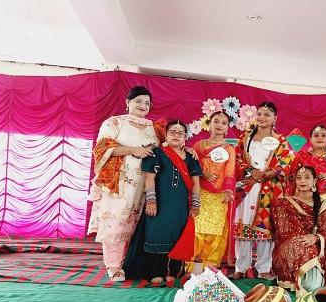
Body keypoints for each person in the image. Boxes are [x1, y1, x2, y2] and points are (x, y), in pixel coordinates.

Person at [87, 86, 158, 282]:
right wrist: (131, 150)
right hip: (118, 182)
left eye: (147, 103)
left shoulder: (155, 128)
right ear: (128, 103)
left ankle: (131, 263)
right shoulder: (114, 122)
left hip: (146, 185)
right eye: (138, 101)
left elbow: (168, 147)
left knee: (138, 225)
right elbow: (102, 149)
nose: (143, 106)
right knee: (116, 222)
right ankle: (114, 266)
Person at [122, 120, 202, 284]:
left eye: (180, 133)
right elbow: (149, 179)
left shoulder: (191, 158)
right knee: (156, 234)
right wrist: (151, 201)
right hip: (160, 204)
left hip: (181, 206)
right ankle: (154, 272)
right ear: (165, 135)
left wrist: (195, 204)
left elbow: (196, 184)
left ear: (185, 137)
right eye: (172, 132)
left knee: (177, 236)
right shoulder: (157, 153)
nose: (176, 135)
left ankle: (173, 271)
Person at [232, 102, 293, 280]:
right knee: (243, 226)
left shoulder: (280, 140)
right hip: (248, 186)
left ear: (275, 118)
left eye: (267, 114)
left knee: (265, 227)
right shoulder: (245, 137)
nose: (262, 117)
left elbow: (285, 162)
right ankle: (240, 266)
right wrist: (252, 171)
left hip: (269, 187)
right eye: (259, 113)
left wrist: (270, 172)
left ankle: (264, 267)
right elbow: (237, 158)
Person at [272, 166, 326, 295]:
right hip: (291, 246)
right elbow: (284, 231)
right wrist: (307, 240)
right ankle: (300, 279)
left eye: (307, 177)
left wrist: (315, 238)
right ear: (295, 181)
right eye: (299, 178)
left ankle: (313, 280)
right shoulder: (283, 203)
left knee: (312, 247)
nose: (303, 181)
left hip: (318, 247)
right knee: (303, 245)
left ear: (314, 181)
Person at [187, 111, 236, 273]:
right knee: (197, 227)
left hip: (219, 195)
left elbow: (230, 172)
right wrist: (203, 173)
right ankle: (191, 267)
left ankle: (210, 269)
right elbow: (191, 166)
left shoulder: (229, 149)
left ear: (227, 128)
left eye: (223, 123)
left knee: (215, 230)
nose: (219, 125)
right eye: (216, 121)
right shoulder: (199, 146)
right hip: (200, 192)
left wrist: (228, 189)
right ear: (210, 124)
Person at [288, 125, 326, 229]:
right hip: (304, 197)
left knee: (325, 228)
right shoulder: (302, 155)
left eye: (323, 135)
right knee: (305, 228)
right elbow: (291, 176)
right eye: (316, 135)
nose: (320, 138)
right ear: (310, 139)